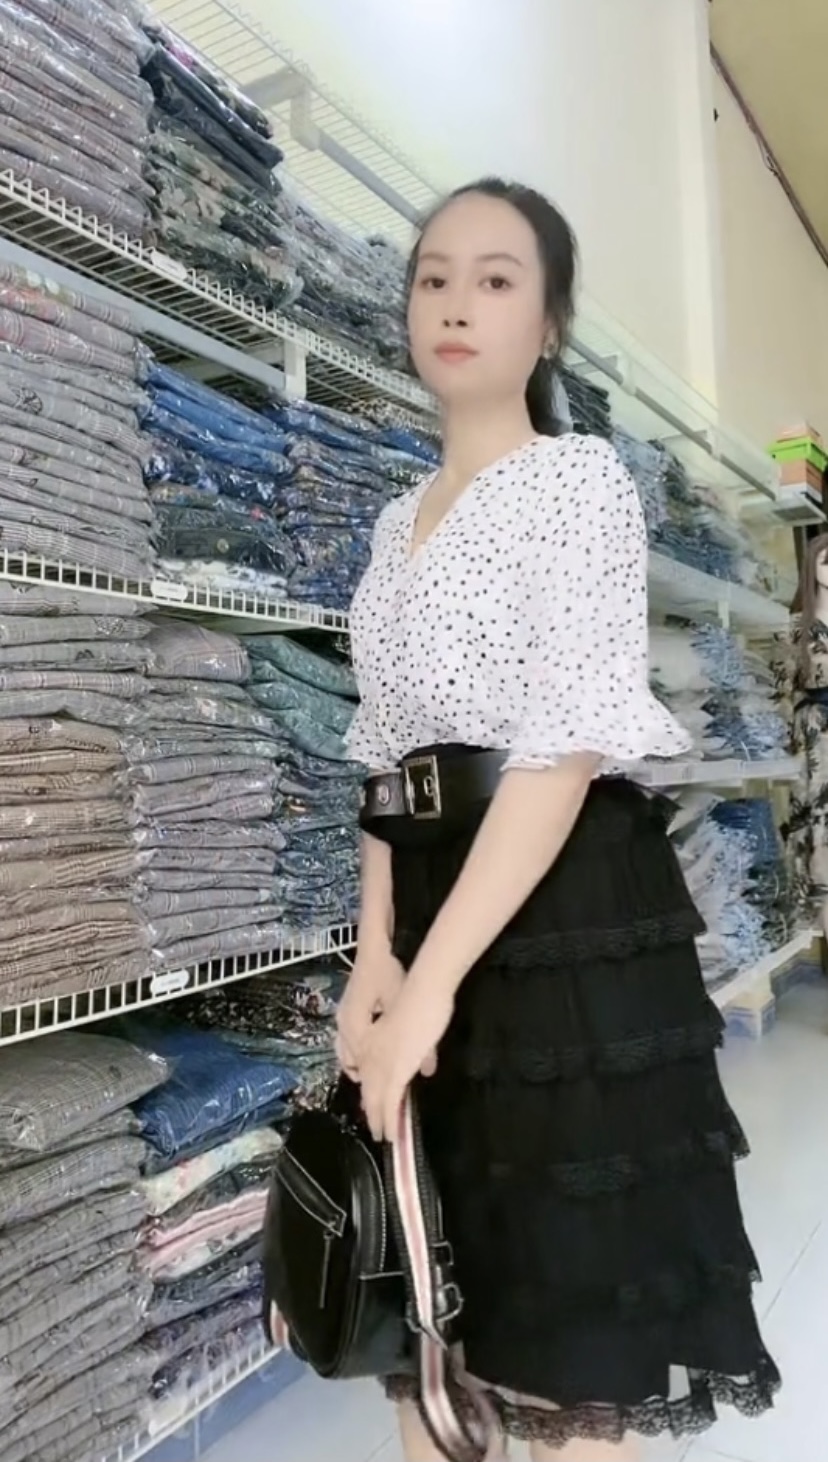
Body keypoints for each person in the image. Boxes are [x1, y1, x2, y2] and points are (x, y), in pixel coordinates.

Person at [338, 177, 779, 1461]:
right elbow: (384, 756)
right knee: (439, 1303)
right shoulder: (391, 522)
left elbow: (561, 751)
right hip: (431, 900)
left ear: (548, 325)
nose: (455, 304)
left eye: (495, 280)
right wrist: (375, 957)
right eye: (433, 278)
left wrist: (430, 985)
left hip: (561, 909)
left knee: (569, 1326)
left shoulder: (579, 481)